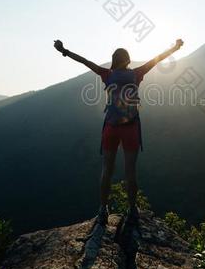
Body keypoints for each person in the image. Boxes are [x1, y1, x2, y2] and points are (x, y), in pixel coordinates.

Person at [53, 39, 184, 226]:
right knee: (131, 171)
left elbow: (85, 61)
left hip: (111, 128)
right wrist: (175, 47)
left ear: (114, 60)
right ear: (128, 60)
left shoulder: (107, 74)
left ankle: (103, 209)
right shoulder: (137, 74)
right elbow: (158, 59)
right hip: (130, 127)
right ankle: (132, 209)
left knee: (107, 170)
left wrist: (64, 50)